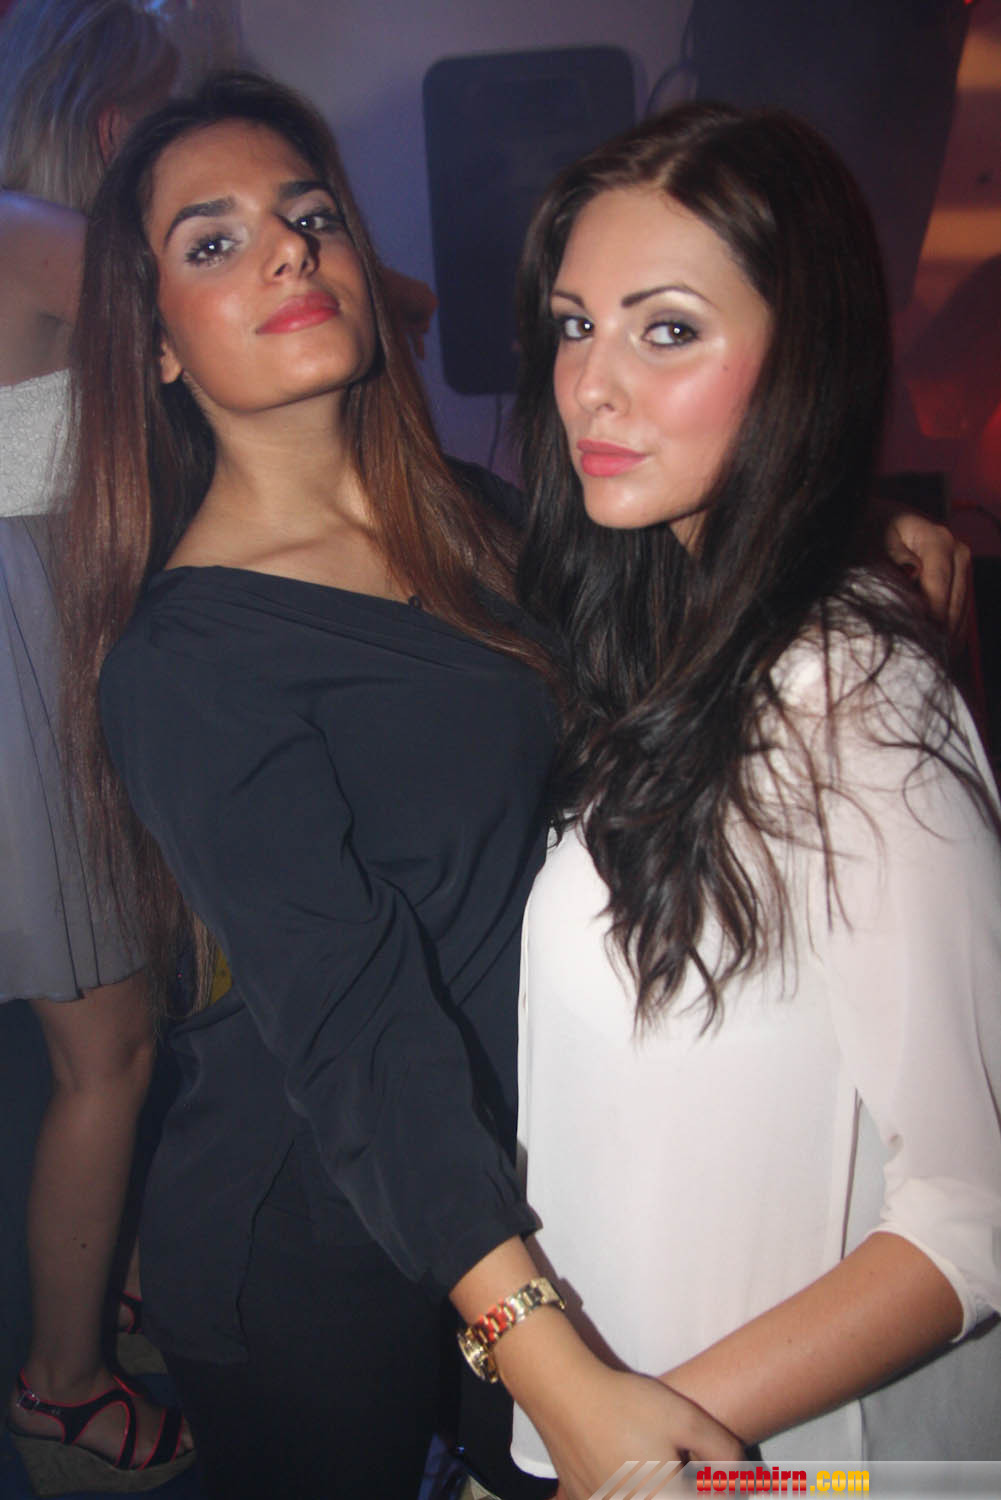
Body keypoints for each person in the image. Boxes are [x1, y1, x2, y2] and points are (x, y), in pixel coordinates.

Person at [57, 70, 755, 1500]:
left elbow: (672, 659)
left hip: (518, 1170)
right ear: (157, 345)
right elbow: (352, 1018)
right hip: (313, 1236)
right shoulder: (184, 661)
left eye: (308, 215)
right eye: (214, 240)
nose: (286, 250)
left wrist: (844, 546)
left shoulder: (481, 523)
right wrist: (549, 1362)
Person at [509, 101, 1001, 1484]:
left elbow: (973, 1210)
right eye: (574, 325)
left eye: (667, 329)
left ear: (803, 361)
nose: (591, 386)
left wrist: (635, 1439)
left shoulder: (851, 695)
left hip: (758, 1455)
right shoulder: (651, 635)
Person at [0, 0, 195, 1491]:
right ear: (115, 119)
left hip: (50, 650)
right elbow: (256, 305)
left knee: (114, 1035)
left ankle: (110, 1291)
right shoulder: (36, 236)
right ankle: (61, 1392)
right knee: (107, 1047)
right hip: (19, 665)